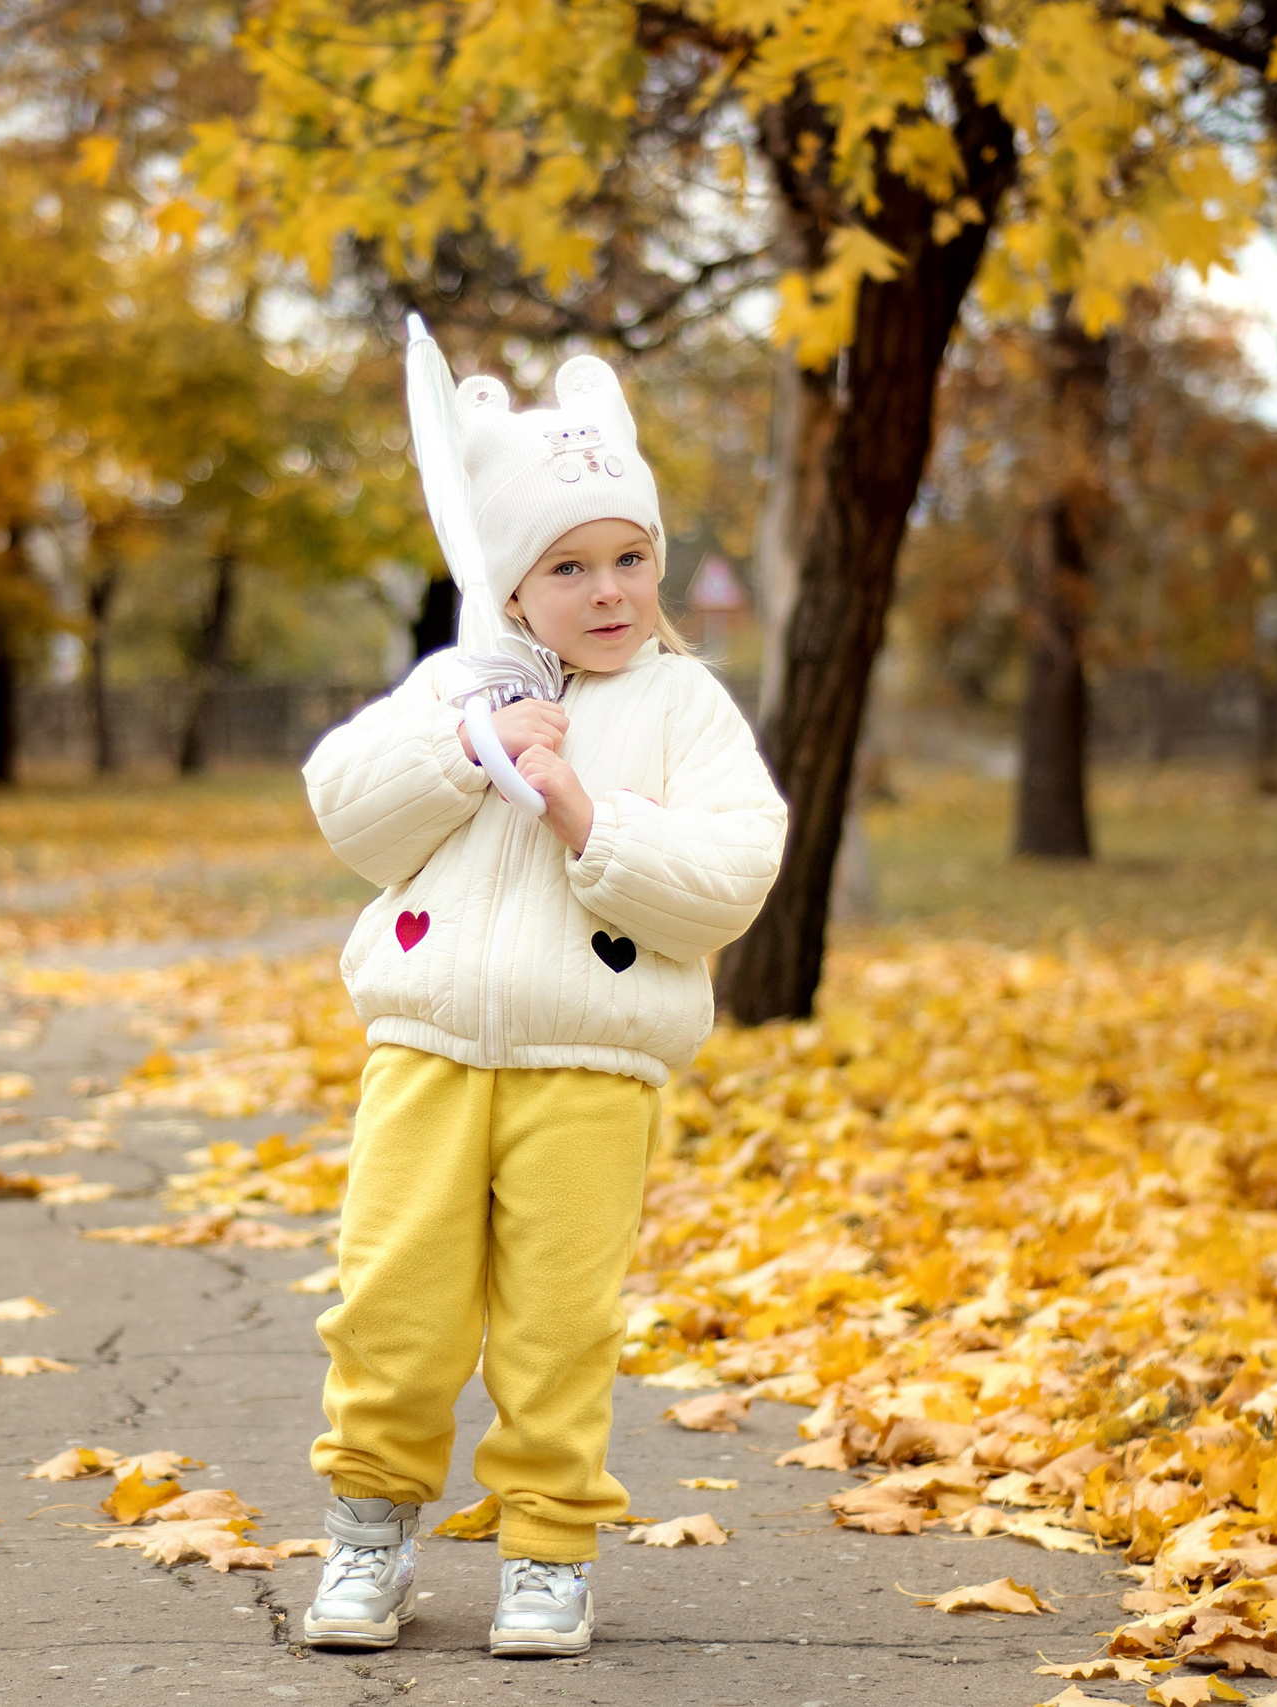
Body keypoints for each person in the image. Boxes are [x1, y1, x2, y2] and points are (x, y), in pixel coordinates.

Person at [296, 353, 787, 1658]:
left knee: (560, 1324)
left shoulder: (686, 708)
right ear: (509, 582)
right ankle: (367, 1532)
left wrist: (583, 813)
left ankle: (549, 1551)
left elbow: (731, 880)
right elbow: (349, 813)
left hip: (592, 1068)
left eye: (630, 558)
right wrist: (469, 753)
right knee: (392, 1303)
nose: (609, 591)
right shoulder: (456, 687)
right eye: (570, 568)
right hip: (428, 1051)